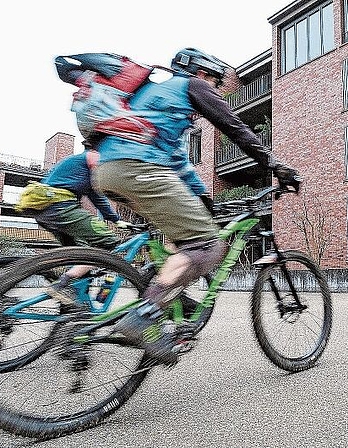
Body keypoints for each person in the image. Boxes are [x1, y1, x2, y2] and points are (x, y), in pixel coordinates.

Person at [83, 47, 300, 365]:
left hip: (107, 172)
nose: (213, 89)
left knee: (182, 240)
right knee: (209, 248)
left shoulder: (155, 97)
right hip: (138, 169)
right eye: (214, 82)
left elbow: (178, 163)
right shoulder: (192, 86)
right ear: (202, 74)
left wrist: (204, 201)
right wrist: (275, 165)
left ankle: (170, 298)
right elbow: (234, 127)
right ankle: (145, 315)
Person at [15, 149, 131, 310]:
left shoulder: (76, 164)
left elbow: (96, 197)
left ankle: (71, 308)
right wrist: (118, 218)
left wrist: (116, 220)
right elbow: (101, 192)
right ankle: (64, 284)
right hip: (60, 207)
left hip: (45, 212)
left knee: (81, 253)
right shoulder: (94, 156)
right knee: (108, 241)